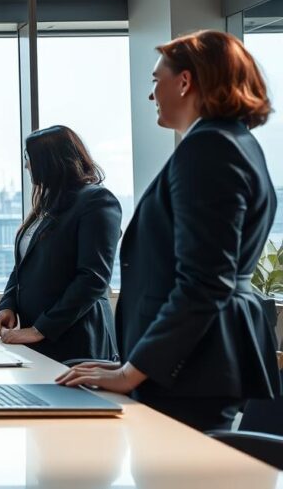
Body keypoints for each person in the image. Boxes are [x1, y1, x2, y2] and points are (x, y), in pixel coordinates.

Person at [58, 30, 282, 432]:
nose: (151, 95)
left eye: (155, 80)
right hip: (194, 361)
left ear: (185, 81)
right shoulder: (236, 142)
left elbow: (204, 282)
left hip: (192, 366)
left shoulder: (210, 147)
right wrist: (131, 362)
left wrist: (133, 371)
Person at [0, 126, 121, 363]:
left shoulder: (96, 201)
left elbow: (93, 278)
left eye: (29, 158)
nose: (26, 165)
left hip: (76, 339)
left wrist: (41, 330)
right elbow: (22, 267)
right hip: (37, 338)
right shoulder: (46, 205)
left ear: (51, 160)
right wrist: (7, 307)